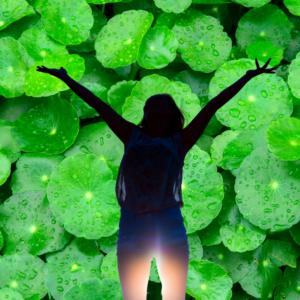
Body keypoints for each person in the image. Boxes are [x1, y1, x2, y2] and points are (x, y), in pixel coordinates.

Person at [37, 58, 278, 300]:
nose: (156, 119)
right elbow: (211, 106)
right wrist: (66, 79)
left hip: (145, 223)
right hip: (157, 223)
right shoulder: (177, 141)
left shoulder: (138, 136)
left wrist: (248, 77)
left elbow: (101, 107)